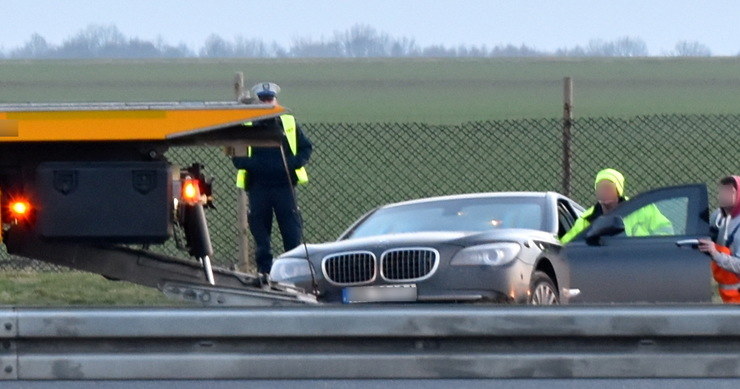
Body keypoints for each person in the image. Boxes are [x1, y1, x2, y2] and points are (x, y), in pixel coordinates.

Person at [232, 82, 313, 274]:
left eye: (270, 99)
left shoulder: (288, 123)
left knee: (292, 236)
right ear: (257, 102)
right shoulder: (247, 125)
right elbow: (237, 158)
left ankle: (293, 274)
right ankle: (265, 275)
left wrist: (292, 163)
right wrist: (259, 166)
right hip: (258, 188)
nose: (267, 102)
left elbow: (306, 148)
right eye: (263, 99)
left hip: (285, 187)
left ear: (276, 100)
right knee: (262, 239)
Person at [560, 168, 673, 243]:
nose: (604, 192)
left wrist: (645, 246)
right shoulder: (587, 218)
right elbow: (567, 243)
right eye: (600, 188)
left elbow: (666, 232)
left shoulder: (642, 209)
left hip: (640, 260)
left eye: (608, 188)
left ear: (619, 190)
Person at [698, 176, 740, 303]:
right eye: (722, 191)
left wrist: (715, 254)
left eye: (729, 191)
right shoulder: (717, 216)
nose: (723, 195)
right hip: (728, 296)